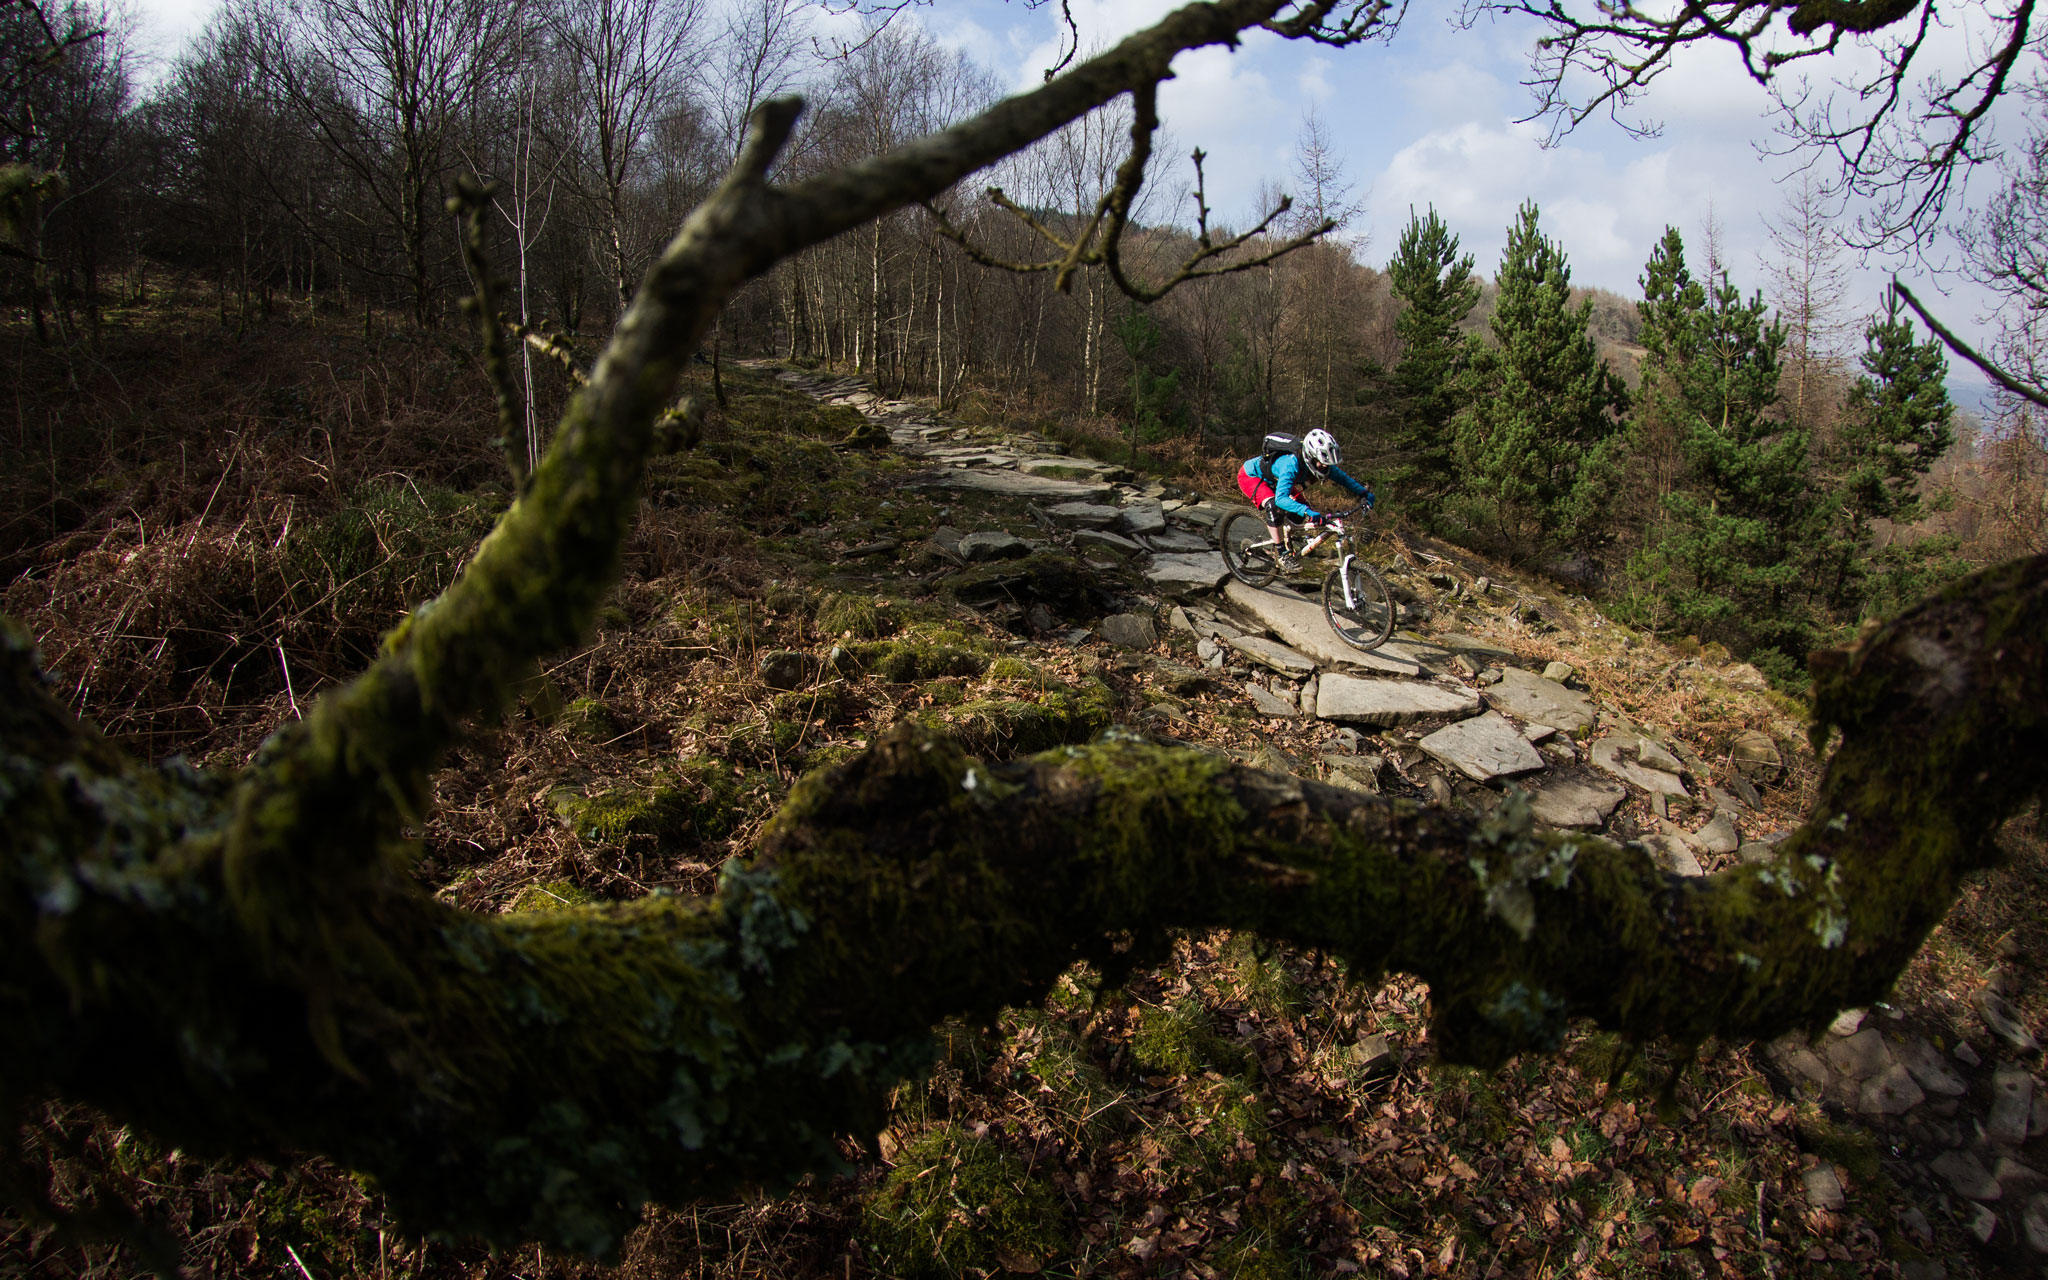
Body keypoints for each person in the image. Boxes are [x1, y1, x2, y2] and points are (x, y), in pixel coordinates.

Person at [1236, 428, 1373, 572]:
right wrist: (1306, 512)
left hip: (1277, 480)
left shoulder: (1321, 463)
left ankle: (1286, 537)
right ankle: (1282, 552)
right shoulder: (1291, 464)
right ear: (1311, 457)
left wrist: (1363, 493)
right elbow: (1281, 499)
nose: (1325, 467)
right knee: (1274, 507)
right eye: (1322, 463)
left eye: (1328, 464)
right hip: (1252, 476)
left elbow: (1344, 479)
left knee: (1300, 507)